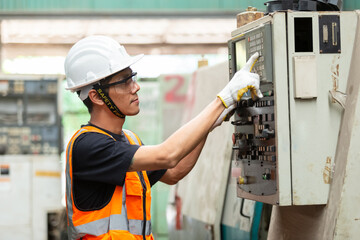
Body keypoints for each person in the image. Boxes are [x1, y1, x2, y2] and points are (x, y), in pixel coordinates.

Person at [64, 35, 262, 240]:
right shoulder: (87, 146)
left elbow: (174, 171)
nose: (135, 87)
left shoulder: (129, 141)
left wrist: (211, 122)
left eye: (133, 77)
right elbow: (168, 155)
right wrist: (223, 100)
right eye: (124, 82)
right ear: (96, 97)